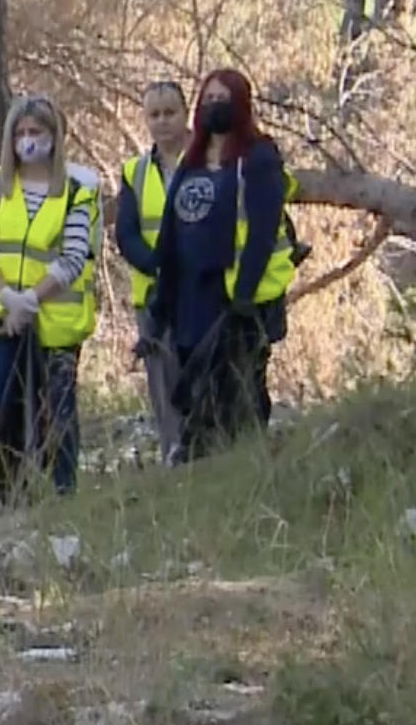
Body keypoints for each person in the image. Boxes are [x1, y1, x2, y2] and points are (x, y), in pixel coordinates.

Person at [0, 93, 98, 529]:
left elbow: (74, 256)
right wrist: (9, 299)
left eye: (36, 132)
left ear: (55, 137)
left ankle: (61, 493)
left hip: (53, 318)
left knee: (56, 410)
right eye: (20, 133)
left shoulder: (77, 191)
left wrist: (32, 300)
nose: (27, 141)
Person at [147, 67, 295, 461]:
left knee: (239, 387)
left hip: (235, 298)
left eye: (223, 98)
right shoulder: (191, 161)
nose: (215, 106)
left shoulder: (259, 157)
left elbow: (263, 231)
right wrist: (160, 306)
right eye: (208, 99)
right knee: (196, 391)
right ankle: (201, 466)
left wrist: (245, 293)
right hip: (190, 297)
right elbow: (170, 235)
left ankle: (244, 464)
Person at [113, 80, 192, 465]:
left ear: (186, 114)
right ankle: (173, 455)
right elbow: (125, 234)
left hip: (201, 292)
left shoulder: (208, 164)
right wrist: (158, 267)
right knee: (163, 383)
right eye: (154, 115)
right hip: (153, 296)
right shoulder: (135, 172)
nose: (163, 122)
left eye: (170, 113)